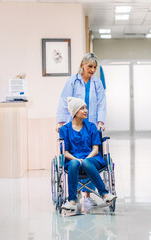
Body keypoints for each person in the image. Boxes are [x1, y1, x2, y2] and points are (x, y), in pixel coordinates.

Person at [56, 52, 106, 208]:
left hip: (90, 124)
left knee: (88, 154)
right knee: (75, 153)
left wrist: (100, 121)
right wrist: (61, 122)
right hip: (75, 122)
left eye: (94, 67)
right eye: (89, 66)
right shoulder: (72, 81)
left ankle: (87, 194)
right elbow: (64, 101)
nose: (92, 69)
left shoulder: (97, 83)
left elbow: (102, 103)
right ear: (82, 65)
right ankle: (75, 194)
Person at [59, 97, 116, 211]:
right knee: (74, 163)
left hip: (93, 159)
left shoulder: (91, 127)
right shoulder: (64, 129)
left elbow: (95, 149)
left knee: (85, 162)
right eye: (82, 108)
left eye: (85, 108)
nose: (86, 110)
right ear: (74, 112)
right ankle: (72, 201)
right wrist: (77, 159)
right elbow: (65, 152)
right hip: (72, 160)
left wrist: (85, 159)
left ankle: (105, 194)